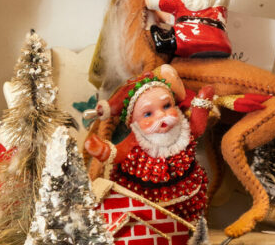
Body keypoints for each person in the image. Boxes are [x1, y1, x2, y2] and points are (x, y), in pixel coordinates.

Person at [86, 69, 215, 222]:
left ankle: (188, 231)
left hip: (184, 197)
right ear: (133, 122)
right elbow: (119, 153)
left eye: (166, 106)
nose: (161, 115)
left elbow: (197, 127)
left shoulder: (182, 130)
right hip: (142, 200)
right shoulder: (136, 139)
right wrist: (103, 151)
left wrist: (201, 104)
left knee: (187, 226)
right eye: (148, 114)